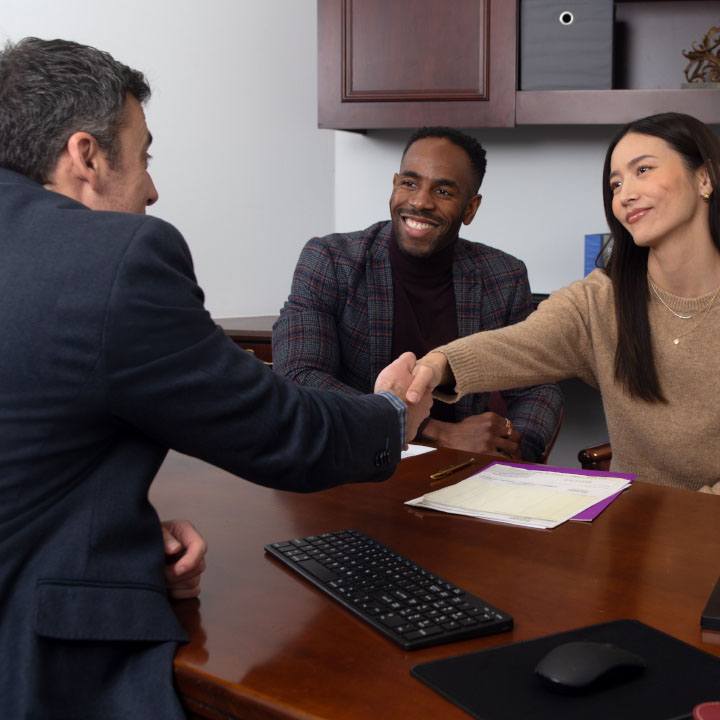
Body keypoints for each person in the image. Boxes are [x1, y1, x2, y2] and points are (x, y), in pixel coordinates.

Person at [0, 37, 431, 719]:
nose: (152, 186)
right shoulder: (113, 260)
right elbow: (278, 430)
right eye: (144, 156)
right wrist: (394, 414)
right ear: (85, 155)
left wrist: (112, 529)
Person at [404, 112, 720, 494]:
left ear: (704, 178)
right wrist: (435, 367)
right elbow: (520, 342)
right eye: (615, 184)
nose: (625, 195)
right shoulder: (601, 299)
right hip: (636, 527)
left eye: (644, 170)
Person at [273, 127, 563, 462]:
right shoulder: (330, 260)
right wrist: (435, 433)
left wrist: (509, 448)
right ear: (394, 187)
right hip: (350, 462)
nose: (420, 201)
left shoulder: (503, 276)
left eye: (442, 191)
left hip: (461, 471)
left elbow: (538, 384)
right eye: (409, 183)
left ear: (470, 208)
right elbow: (300, 376)